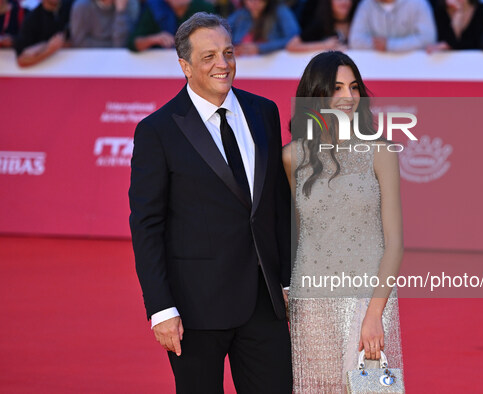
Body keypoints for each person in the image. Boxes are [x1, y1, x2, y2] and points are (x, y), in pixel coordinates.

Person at [129, 12, 292, 393]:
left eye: (228, 52)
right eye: (209, 57)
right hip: (194, 308)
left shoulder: (263, 111)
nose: (223, 64)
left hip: (263, 303)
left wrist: (286, 277)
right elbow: (147, 225)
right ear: (185, 66)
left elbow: (277, 205)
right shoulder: (158, 130)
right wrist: (161, 309)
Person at [283, 51, 404, 392]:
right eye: (337, 87)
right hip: (312, 299)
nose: (348, 97)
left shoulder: (380, 152)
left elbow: (394, 243)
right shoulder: (292, 157)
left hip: (368, 294)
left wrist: (375, 312)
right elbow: (294, 235)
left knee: (368, 388)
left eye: (353, 87)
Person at [349, 0, 436, 51]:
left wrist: (390, 45)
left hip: (412, 70)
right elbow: (355, 40)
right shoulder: (366, 4)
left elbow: (428, 39)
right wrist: (379, 44)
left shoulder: (418, 3)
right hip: (376, 70)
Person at [127, 0, 213, 51]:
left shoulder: (204, 8)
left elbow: (216, 39)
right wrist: (153, 39)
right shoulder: (154, 8)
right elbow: (133, 44)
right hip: (161, 68)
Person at [227, 0, 299, 55]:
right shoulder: (241, 14)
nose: (254, 2)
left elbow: (294, 39)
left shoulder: (280, 10)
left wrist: (260, 48)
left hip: (273, 65)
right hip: (244, 67)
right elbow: (223, 31)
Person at [14, 0, 72, 67]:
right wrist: (49, 50)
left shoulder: (71, 8)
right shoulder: (32, 20)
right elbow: (22, 60)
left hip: (73, 67)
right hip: (45, 72)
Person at [286, 0, 358, 52]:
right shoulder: (321, 23)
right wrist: (323, 46)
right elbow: (292, 45)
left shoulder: (358, 20)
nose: (344, 2)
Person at [70, 0, 139, 48]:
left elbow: (122, 44)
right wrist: (112, 45)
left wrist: (120, 12)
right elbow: (80, 43)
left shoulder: (128, 5)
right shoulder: (82, 6)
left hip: (119, 62)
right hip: (89, 61)